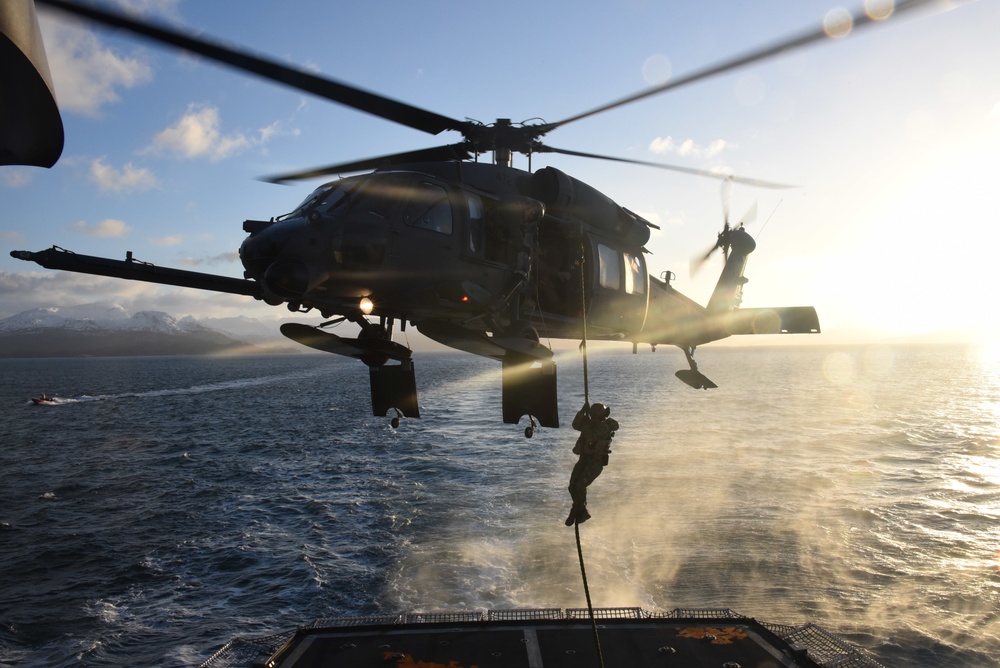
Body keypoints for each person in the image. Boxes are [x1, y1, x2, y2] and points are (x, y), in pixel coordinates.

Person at [566, 401, 619, 526]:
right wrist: (582, 412)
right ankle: (581, 510)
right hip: (583, 460)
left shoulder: (604, 427)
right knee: (572, 486)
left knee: (580, 486)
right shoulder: (588, 424)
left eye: (596, 414)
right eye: (592, 414)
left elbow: (590, 434)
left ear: (602, 415)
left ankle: (577, 510)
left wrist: (585, 418)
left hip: (595, 463)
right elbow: (575, 425)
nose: (593, 417)